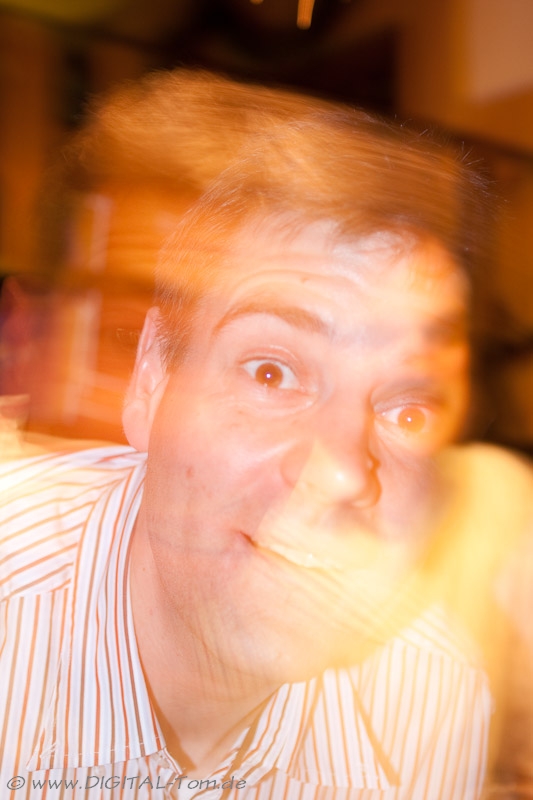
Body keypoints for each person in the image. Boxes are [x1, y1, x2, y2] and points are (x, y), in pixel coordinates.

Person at [0, 70, 531, 800]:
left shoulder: (431, 700)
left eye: (407, 410)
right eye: (272, 372)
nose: (342, 473)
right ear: (151, 377)